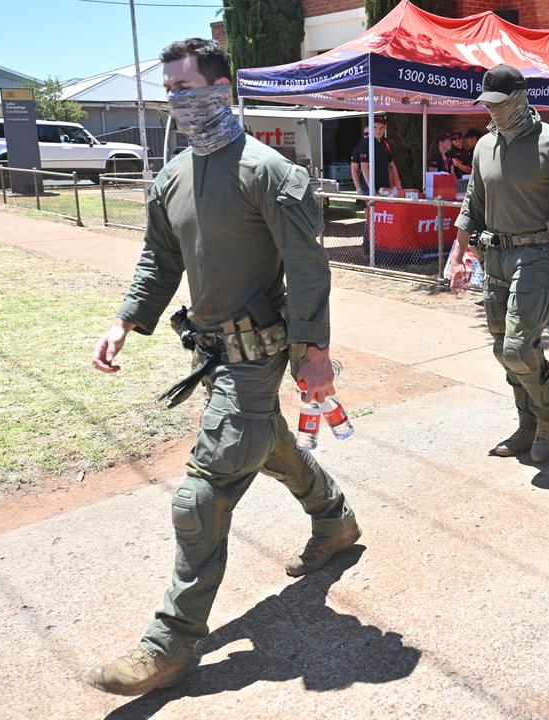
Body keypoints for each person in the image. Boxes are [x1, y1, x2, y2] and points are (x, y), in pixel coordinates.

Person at [87, 38, 360, 696]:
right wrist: (123, 322)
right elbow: (159, 260)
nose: (177, 101)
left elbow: (306, 267)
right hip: (212, 353)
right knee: (265, 445)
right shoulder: (173, 177)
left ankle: (171, 642)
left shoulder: (270, 172)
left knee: (201, 493)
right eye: (170, 91)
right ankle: (335, 518)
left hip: (260, 355)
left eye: (187, 88)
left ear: (220, 85)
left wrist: (313, 352)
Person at [444, 64, 549, 462]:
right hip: (495, 256)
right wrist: (457, 255)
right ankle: (527, 423)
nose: (492, 111)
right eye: (486, 104)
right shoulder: (483, 147)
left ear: (519, 97)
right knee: (502, 347)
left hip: (539, 255)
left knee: (516, 346)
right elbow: (471, 204)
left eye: (499, 103)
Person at [354, 115, 401, 195]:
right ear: (370, 127)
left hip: (384, 189)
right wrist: (372, 189)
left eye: (381, 128)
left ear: (385, 127)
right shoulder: (366, 143)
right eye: (375, 127)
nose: (378, 131)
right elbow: (364, 167)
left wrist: (397, 184)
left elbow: (392, 165)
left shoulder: (385, 143)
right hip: (370, 190)